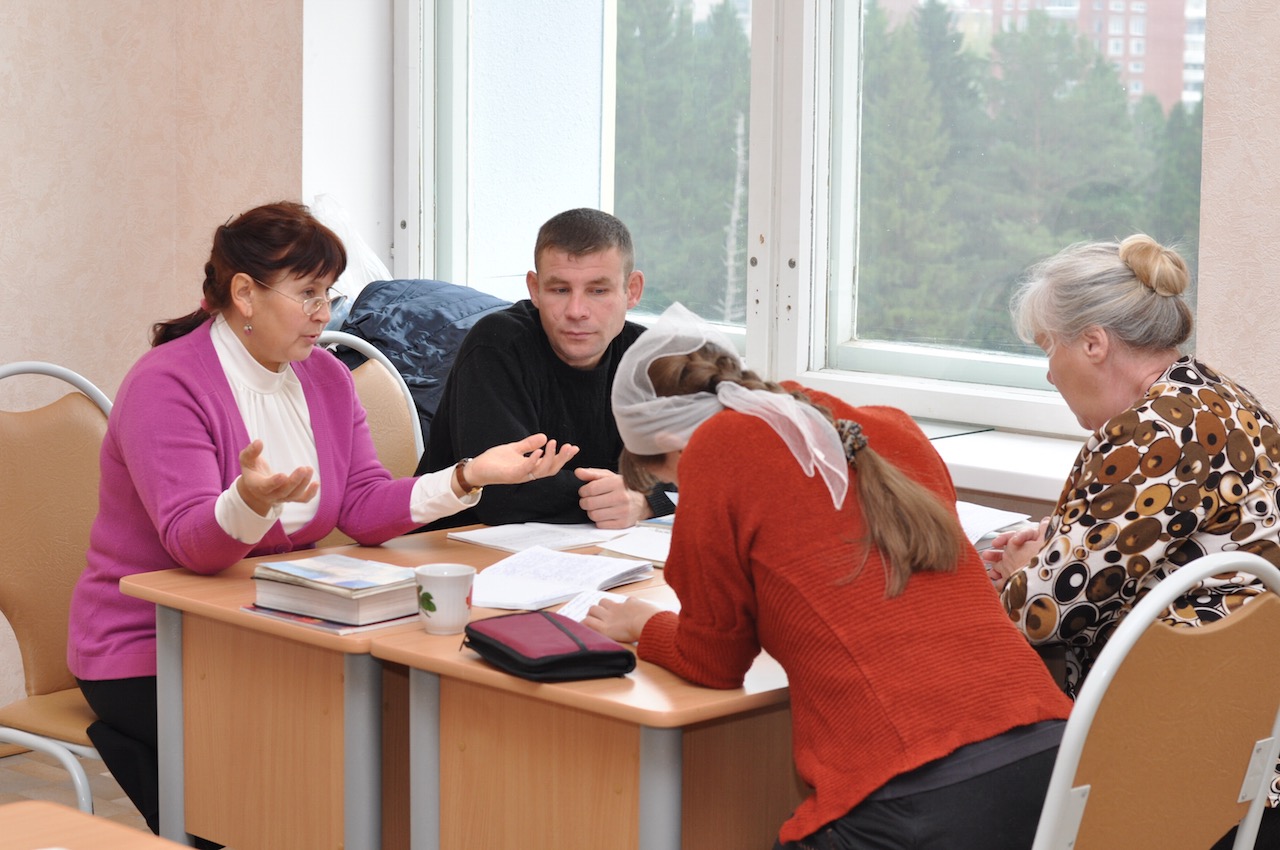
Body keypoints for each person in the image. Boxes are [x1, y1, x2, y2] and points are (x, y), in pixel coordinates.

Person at [66, 201, 577, 842]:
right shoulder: (166, 385)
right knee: (312, 754)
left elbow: (361, 506)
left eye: (328, 294)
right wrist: (245, 504)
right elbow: (191, 545)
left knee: (401, 722)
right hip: (147, 647)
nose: (324, 313)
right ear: (245, 294)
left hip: (272, 631)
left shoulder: (328, 379)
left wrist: (467, 476)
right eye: (308, 293)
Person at [582, 303, 1072, 850]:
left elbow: (712, 662)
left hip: (918, 788)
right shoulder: (892, 429)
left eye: (669, 479)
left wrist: (645, 625)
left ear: (673, 446)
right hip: (1054, 756)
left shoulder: (717, 448)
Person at [980, 234, 1280, 848]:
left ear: (1093, 343)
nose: (1046, 370)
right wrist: (1051, 553)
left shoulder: (1154, 435)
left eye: (1048, 347)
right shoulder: (1217, 398)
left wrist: (1023, 571)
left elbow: (1043, 612)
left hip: (1184, 764)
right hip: (1247, 737)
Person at [415, 207, 675, 529]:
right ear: (535, 289)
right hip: (454, 552)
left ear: (631, 290)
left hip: (589, 553)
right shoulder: (496, 345)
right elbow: (502, 495)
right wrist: (630, 493)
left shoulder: (649, 357)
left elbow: (694, 472)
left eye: (598, 290)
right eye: (560, 290)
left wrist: (643, 501)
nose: (577, 311)